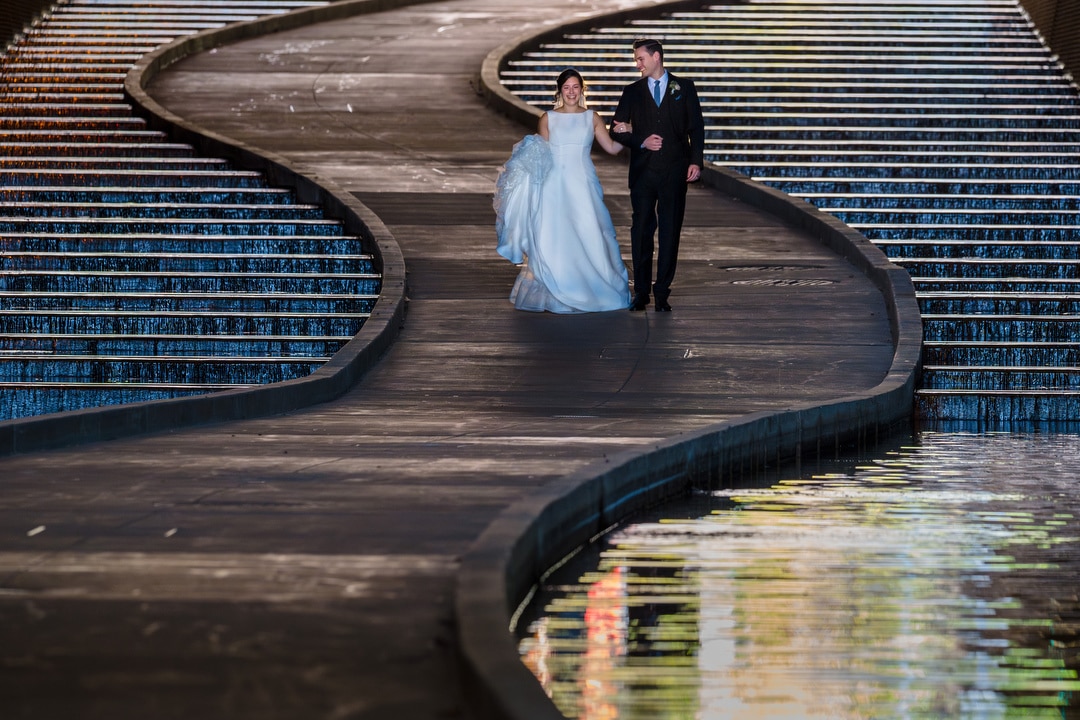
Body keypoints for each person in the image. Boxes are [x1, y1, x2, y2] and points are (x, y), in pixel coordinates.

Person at [494, 68, 632, 313]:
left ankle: (593, 287)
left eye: (575, 87)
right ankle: (559, 284)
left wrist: (627, 134)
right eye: (566, 87)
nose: (571, 92)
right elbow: (540, 154)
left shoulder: (592, 117)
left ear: (582, 89)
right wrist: (519, 173)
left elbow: (611, 148)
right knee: (555, 235)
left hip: (583, 183)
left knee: (590, 231)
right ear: (560, 90)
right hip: (554, 184)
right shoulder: (548, 118)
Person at [611, 38, 705, 312]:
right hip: (642, 175)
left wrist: (696, 161)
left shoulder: (684, 88)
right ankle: (641, 292)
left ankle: (662, 291)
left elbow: (696, 127)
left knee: (670, 232)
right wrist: (640, 140)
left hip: (675, 173)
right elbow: (614, 129)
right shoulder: (631, 92)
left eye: (640, 58)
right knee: (641, 231)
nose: (637, 64)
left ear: (656, 57)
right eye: (636, 59)